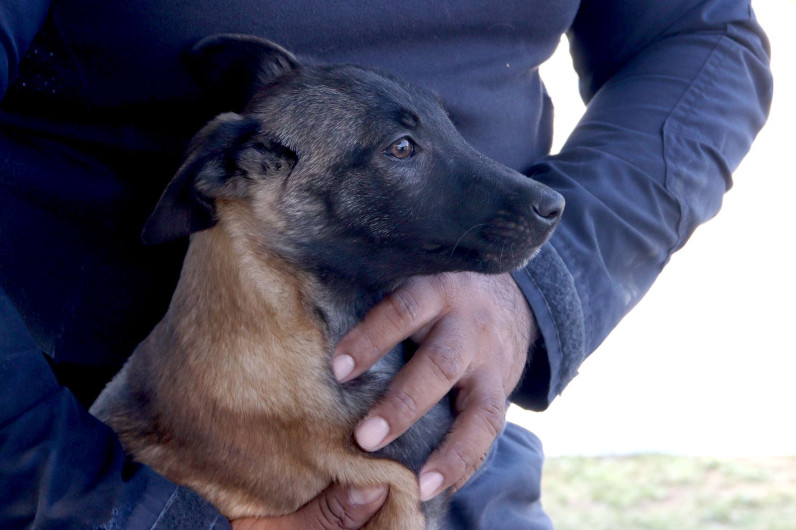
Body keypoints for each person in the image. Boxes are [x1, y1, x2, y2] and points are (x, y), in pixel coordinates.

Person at [0, 1, 771, 529]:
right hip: (90, 460)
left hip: (455, 468)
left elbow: (698, 37)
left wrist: (540, 284)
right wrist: (108, 510)